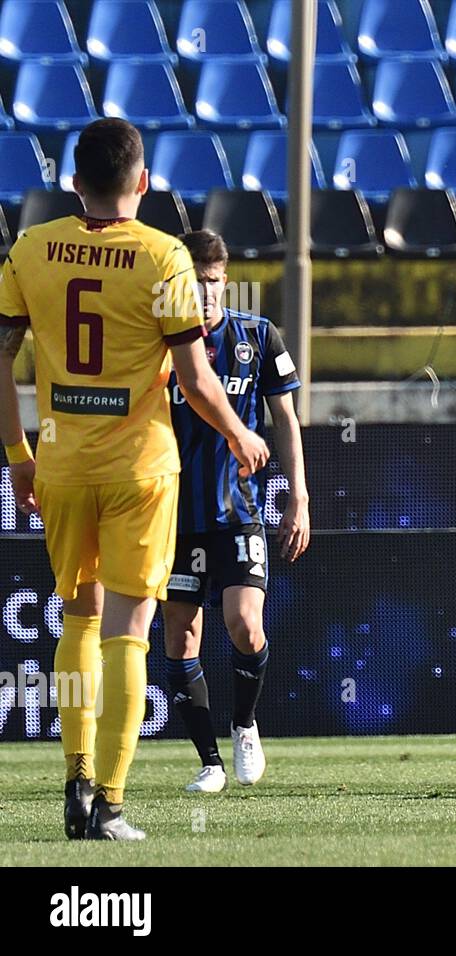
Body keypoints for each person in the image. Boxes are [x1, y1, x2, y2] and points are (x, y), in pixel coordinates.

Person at [0, 118, 268, 839]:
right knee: (128, 629)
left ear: (73, 181)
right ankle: (109, 804)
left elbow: (1, 356)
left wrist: (18, 454)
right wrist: (240, 432)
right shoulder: (164, 257)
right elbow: (194, 375)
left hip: (58, 462)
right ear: (142, 183)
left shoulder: (28, 250)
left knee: (77, 616)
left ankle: (75, 778)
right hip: (140, 469)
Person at [162, 229, 309, 794]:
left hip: (239, 510)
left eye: (213, 282)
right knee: (181, 637)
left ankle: (245, 724)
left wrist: (298, 495)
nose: (204, 293)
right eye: (193, 282)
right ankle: (209, 762)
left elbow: (286, 421)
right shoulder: (160, 343)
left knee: (246, 626)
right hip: (175, 516)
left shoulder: (259, 335)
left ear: (227, 281)